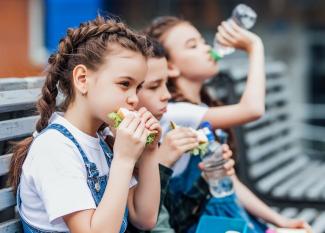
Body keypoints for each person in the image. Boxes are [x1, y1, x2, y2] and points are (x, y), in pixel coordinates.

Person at [145, 16, 311, 233]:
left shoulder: (201, 107)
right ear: (171, 67)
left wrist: (279, 221)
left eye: (203, 41)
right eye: (192, 46)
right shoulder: (175, 113)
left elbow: (228, 181)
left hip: (230, 218)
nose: (206, 48)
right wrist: (254, 47)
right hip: (206, 225)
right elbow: (253, 110)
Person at [9, 16, 161, 233]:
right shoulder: (55, 149)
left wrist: (149, 151)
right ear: (82, 79)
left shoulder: (101, 141)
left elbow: (144, 217)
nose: (135, 99)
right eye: (124, 84)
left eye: (137, 88)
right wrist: (124, 159)